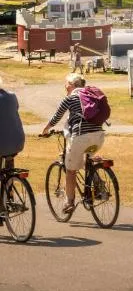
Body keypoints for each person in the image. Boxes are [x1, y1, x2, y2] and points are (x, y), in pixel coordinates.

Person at [41, 73, 105, 214]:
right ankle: (99, 185)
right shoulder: (92, 96)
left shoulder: (70, 98)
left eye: (66, 84)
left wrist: (45, 129)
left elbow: (56, 117)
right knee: (86, 159)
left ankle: (69, 202)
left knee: (71, 170)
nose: (65, 86)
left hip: (81, 137)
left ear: (72, 85)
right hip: (99, 136)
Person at [0, 78, 25, 172]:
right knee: (9, 158)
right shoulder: (12, 96)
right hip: (17, 142)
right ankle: (9, 181)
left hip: (3, 144)